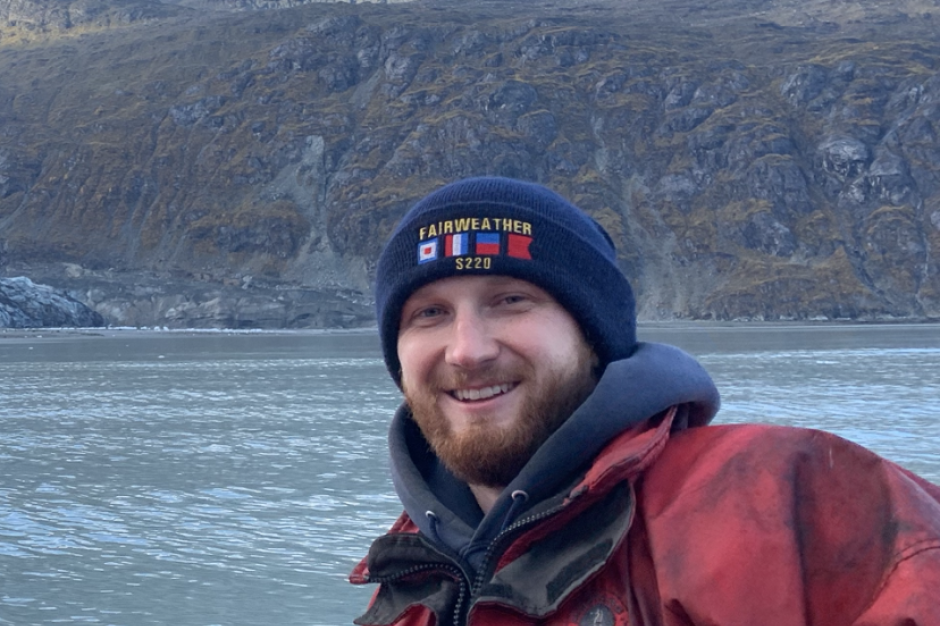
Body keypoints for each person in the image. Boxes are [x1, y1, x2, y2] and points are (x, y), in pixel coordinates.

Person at [349, 176, 940, 626]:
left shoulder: (793, 496)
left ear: (594, 336)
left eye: (510, 300)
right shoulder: (408, 587)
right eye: (430, 313)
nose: (468, 350)